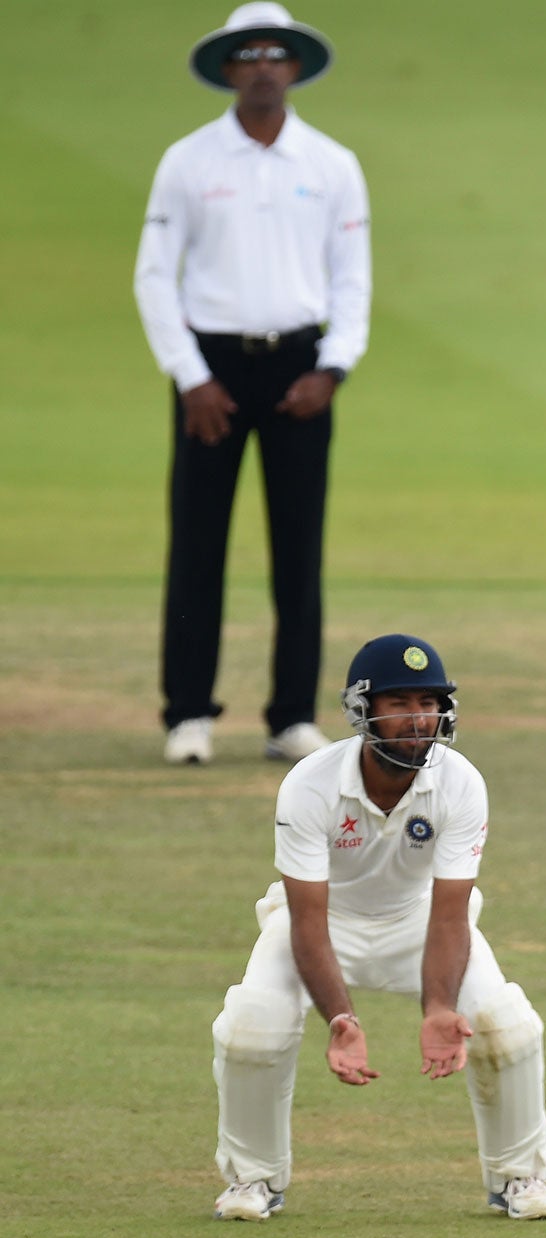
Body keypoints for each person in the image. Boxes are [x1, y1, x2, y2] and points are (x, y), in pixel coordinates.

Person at [208, 634, 546, 1222]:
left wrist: (439, 1008)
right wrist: (342, 1020)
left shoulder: (461, 782)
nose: (417, 718)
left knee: (507, 1026)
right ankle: (253, 1180)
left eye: (429, 702)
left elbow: (450, 912)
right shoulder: (309, 785)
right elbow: (308, 918)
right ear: (362, 710)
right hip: (324, 925)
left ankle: (519, 1177)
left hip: (418, 922)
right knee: (251, 1028)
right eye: (399, 703)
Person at [135, 4, 370, 767]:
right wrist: (190, 375)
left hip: (302, 369)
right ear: (230, 68)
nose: (264, 65)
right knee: (197, 542)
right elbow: (153, 277)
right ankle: (188, 714)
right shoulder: (190, 161)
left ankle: (292, 715)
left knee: (298, 546)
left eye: (277, 53)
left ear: (294, 66)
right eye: (250, 53)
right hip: (213, 372)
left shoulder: (330, 164)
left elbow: (352, 280)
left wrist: (332, 368)